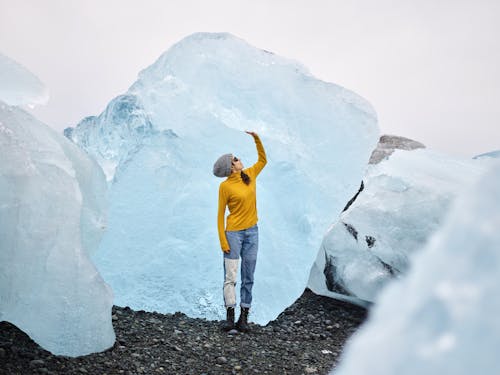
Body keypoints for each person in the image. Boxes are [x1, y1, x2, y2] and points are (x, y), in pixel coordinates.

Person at [212, 131, 267, 332]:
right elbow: (220, 215)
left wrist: (256, 139)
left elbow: (263, 160)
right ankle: (230, 317)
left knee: (248, 275)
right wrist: (223, 241)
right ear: (231, 167)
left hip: (253, 232)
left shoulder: (250, 175)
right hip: (233, 234)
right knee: (231, 276)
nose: (239, 159)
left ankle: (244, 319)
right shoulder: (225, 187)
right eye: (235, 159)